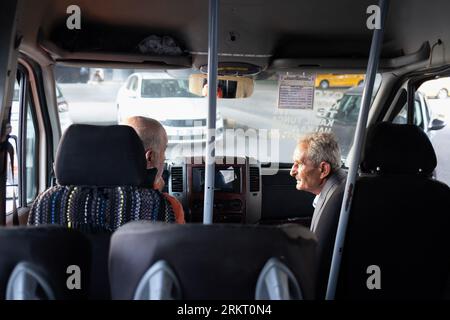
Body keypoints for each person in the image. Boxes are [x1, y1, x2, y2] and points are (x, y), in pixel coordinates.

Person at [290, 132, 347, 298]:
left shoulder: (335, 201)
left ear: (323, 169)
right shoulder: (339, 188)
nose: (292, 171)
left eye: (298, 164)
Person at [125, 116, 185, 224]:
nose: (165, 158)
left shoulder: (89, 195)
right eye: (164, 150)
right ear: (150, 157)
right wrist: (155, 191)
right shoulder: (168, 207)